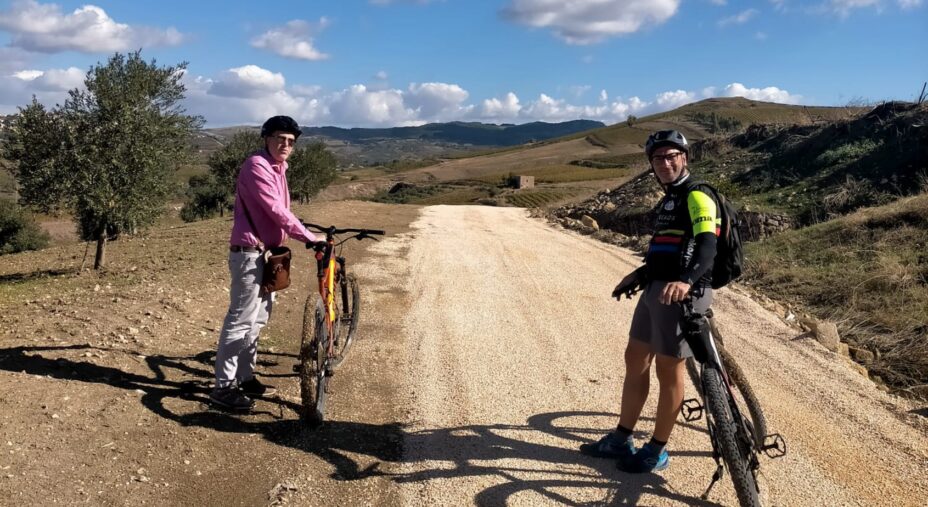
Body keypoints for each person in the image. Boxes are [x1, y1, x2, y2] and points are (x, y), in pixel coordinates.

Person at [581, 129, 720, 473]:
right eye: (658, 158)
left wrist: (686, 281)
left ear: (684, 158)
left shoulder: (697, 195)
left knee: (668, 369)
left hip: (683, 293)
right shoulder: (668, 200)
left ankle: (657, 449)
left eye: (672, 156)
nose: (665, 163)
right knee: (635, 358)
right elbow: (668, 251)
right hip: (656, 290)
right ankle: (621, 437)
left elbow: (707, 246)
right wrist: (640, 275)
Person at [209, 115, 321, 411]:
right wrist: (308, 237)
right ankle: (223, 388)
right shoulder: (256, 165)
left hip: (267, 254)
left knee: (257, 320)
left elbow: (281, 210)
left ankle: (245, 377)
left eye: (291, 141)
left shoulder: (279, 169)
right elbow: (273, 208)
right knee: (240, 320)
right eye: (280, 138)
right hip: (249, 253)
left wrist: (299, 228)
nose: (286, 145)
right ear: (267, 139)